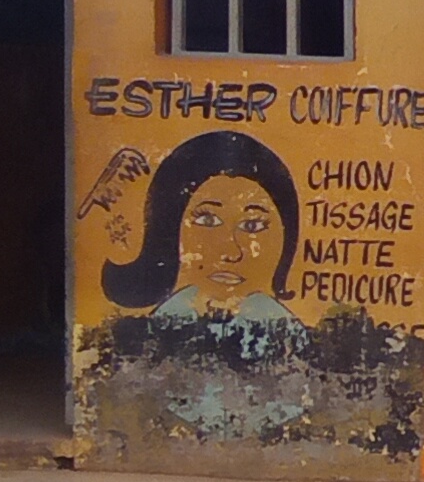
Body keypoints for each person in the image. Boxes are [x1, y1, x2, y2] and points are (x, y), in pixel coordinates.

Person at [96, 132, 306, 337]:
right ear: (170, 228)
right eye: (208, 221)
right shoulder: (151, 334)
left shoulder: (288, 336)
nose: (230, 252)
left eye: (252, 225)